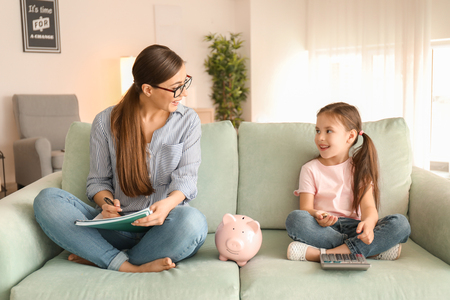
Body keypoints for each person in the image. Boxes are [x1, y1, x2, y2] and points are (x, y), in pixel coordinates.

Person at [33, 44, 208, 273]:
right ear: (147, 89)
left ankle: (103, 257)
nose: (183, 93)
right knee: (47, 199)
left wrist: (166, 206)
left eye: (185, 83)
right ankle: (130, 266)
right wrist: (107, 205)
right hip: (115, 230)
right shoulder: (106, 121)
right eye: (176, 88)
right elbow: (98, 181)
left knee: (193, 223)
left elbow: (186, 180)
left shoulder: (188, 121)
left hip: (163, 229)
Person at [285, 102, 410, 262]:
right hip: (325, 228)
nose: (320, 137)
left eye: (328, 131)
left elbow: (369, 208)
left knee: (400, 224)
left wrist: (369, 225)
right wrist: (318, 215)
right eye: (317, 131)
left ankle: (324, 254)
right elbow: (306, 208)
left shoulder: (360, 170)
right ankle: (370, 251)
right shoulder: (310, 169)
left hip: (356, 228)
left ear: (350, 136)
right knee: (295, 219)